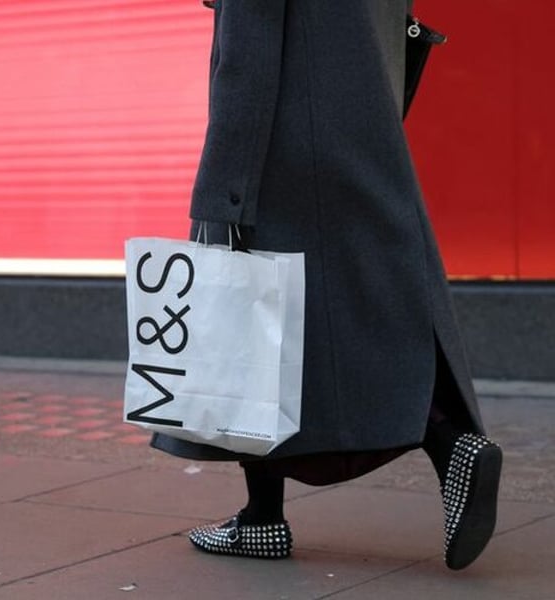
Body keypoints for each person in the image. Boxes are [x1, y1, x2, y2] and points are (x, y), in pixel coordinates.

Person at [151, 0, 502, 570]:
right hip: (361, 127)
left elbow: (247, 45)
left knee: (252, 314)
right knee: (367, 302)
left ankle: (267, 516)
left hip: (280, 139)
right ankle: (450, 443)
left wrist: (224, 184)